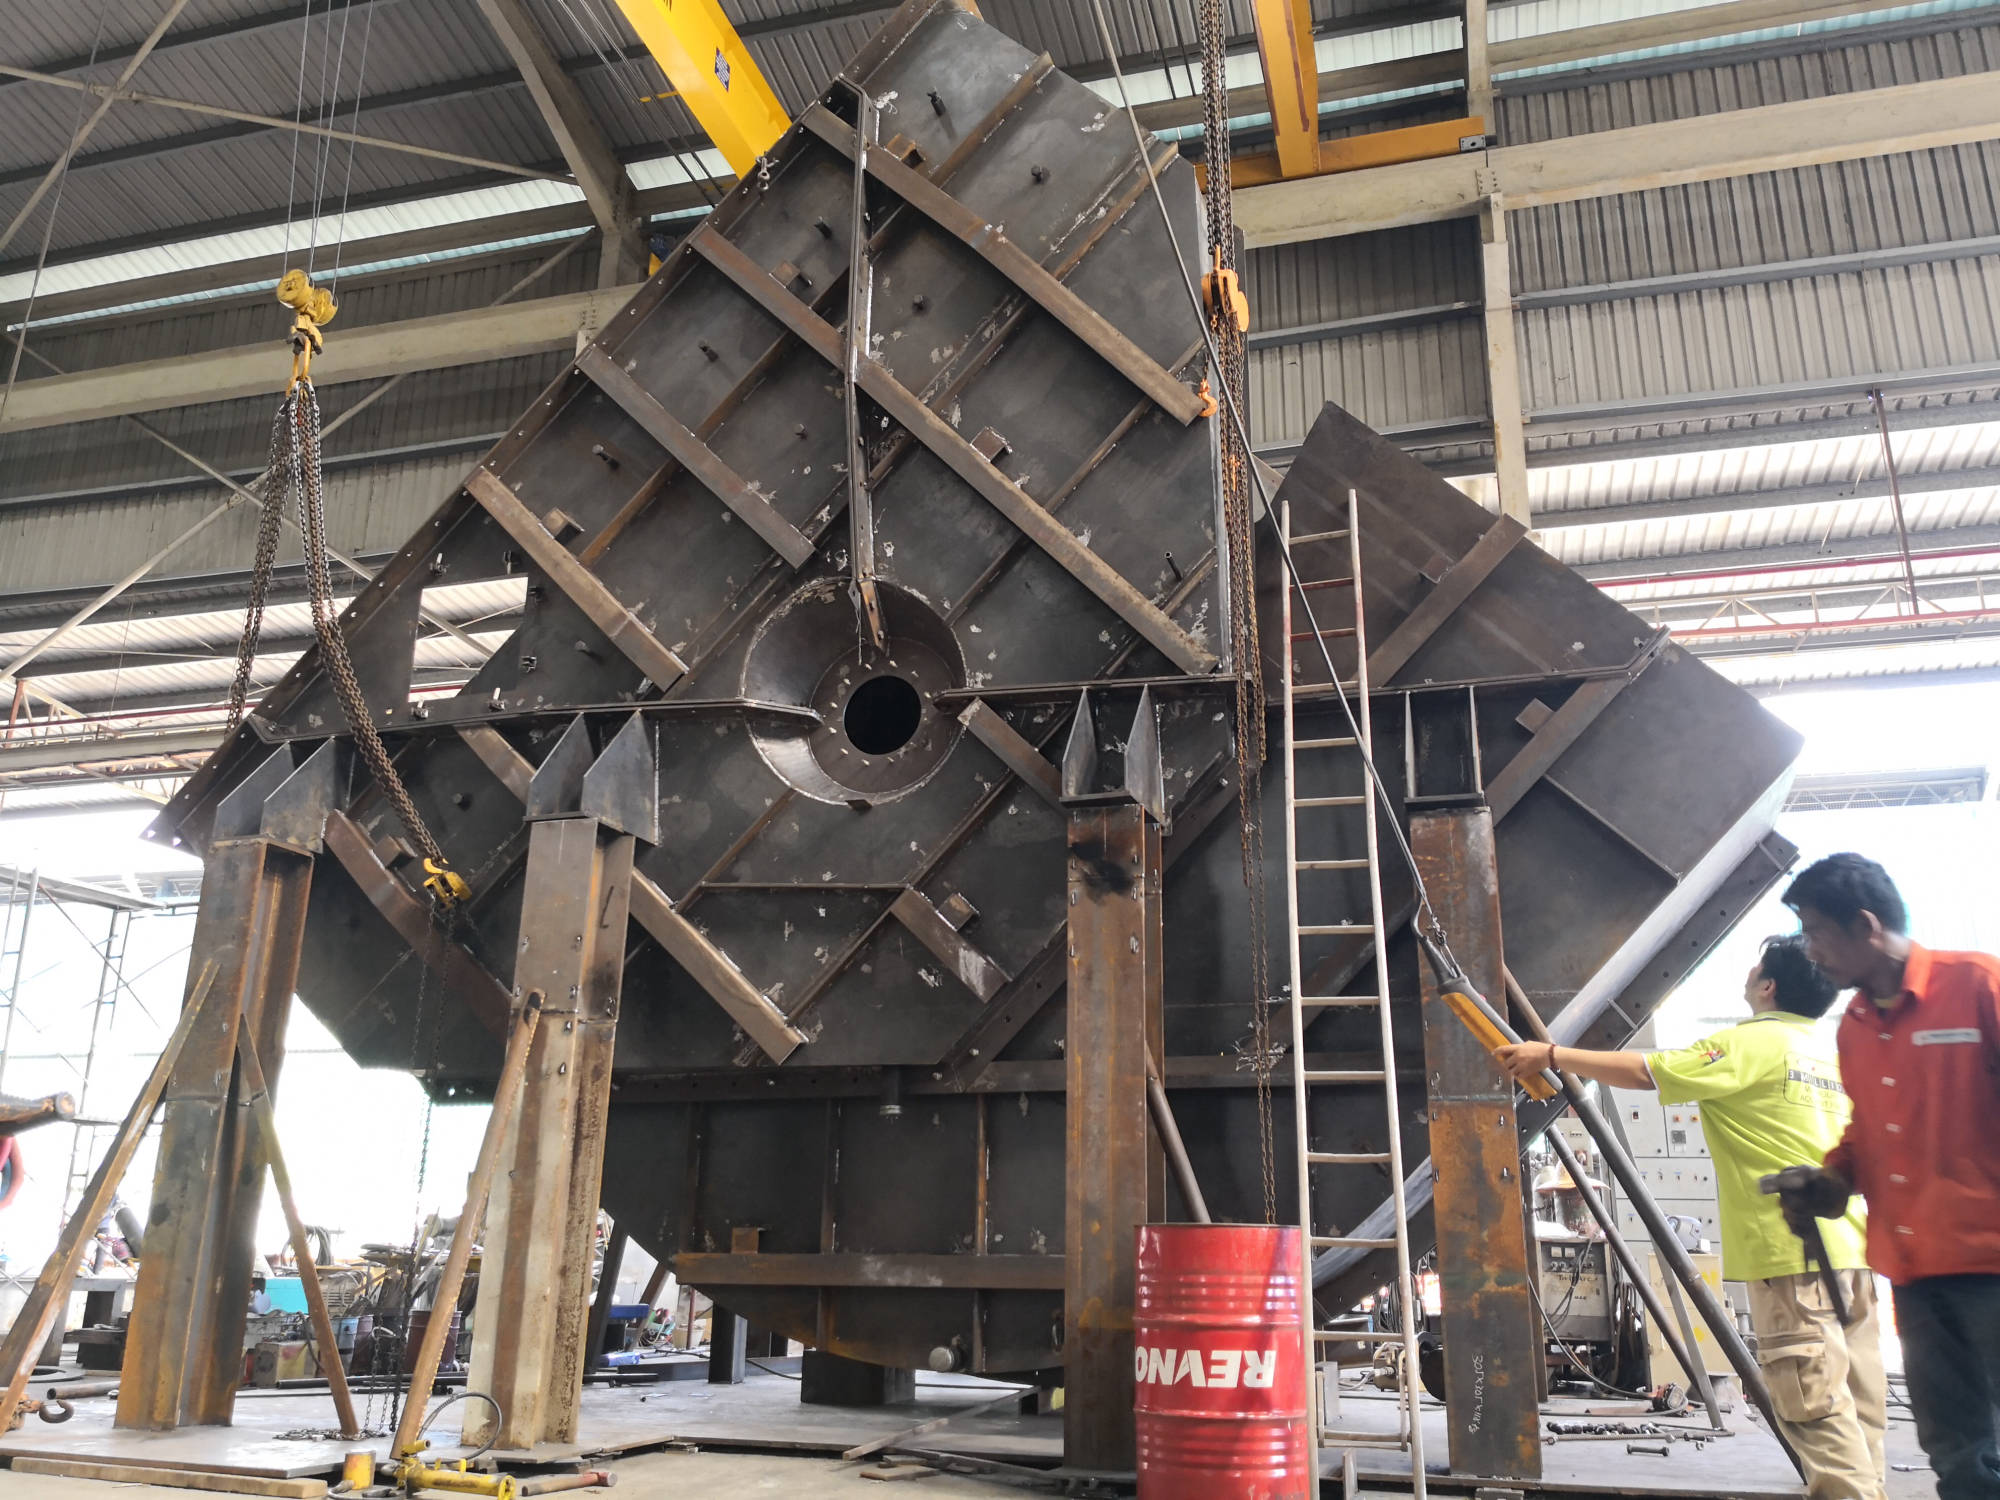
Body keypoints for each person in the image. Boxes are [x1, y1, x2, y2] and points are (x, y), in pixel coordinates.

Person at [1496, 934, 1884, 1500]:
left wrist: (1551, 1056)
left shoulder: (1752, 1044)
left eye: (1755, 967)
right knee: (1862, 1413)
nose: (1748, 973)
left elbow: (1648, 1071)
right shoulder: (1830, 1053)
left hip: (1790, 1253)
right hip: (1853, 1253)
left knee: (1817, 1414)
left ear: (1768, 985)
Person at [1780, 853, 2000, 1500]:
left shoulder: (1978, 986)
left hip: (1992, 1264)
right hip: (1916, 1272)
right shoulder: (1854, 1025)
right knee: (1957, 1450)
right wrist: (1832, 1180)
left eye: (1816, 932)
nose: (1810, 950)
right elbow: (1871, 1129)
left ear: (1866, 926)